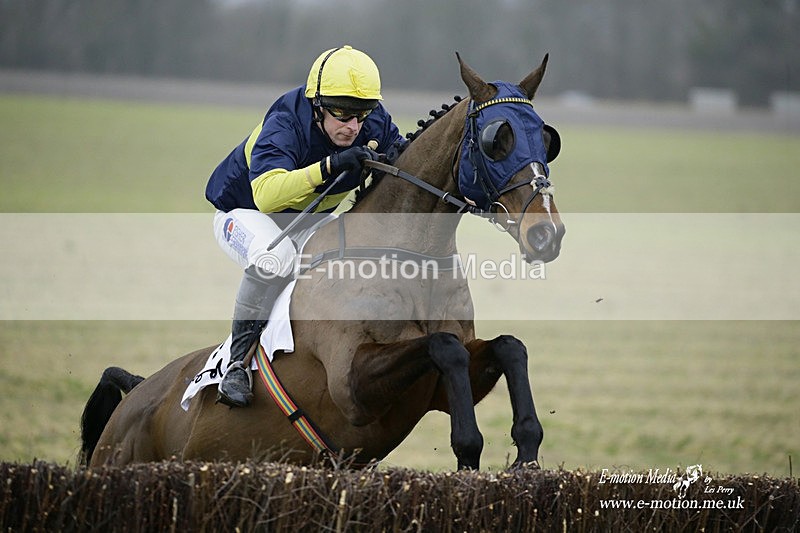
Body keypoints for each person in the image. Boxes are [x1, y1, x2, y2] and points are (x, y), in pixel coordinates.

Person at [205, 45, 404, 408]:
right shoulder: (285, 120)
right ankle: (237, 363)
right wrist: (330, 166)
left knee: (352, 250)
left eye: (362, 114)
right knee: (275, 257)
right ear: (316, 104)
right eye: (342, 114)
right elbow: (266, 196)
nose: (353, 126)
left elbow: (405, 161)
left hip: (307, 218)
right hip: (246, 213)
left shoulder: (371, 120)